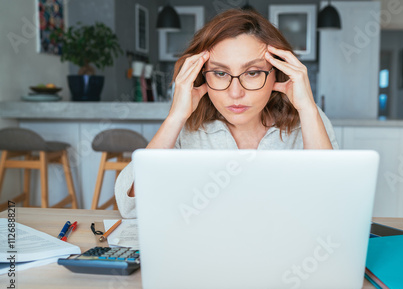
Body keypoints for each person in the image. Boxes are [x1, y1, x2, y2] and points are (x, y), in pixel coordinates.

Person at [115, 9, 339, 218]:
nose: (235, 92)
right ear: (202, 74)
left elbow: (331, 207)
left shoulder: (309, 117)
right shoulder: (187, 125)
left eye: (252, 72)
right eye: (220, 73)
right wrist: (175, 117)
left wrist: (308, 109)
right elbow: (130, 208)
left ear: (277, 72)